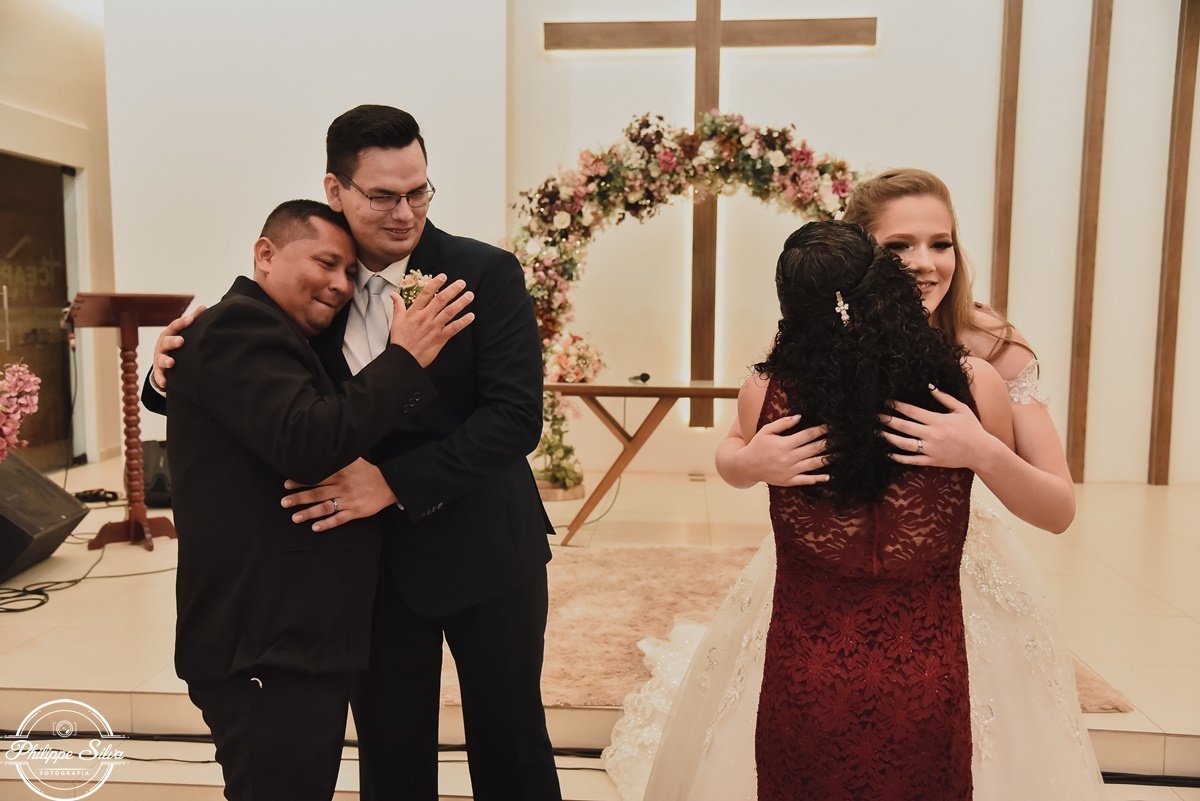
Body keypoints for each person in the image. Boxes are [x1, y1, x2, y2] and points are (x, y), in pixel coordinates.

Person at [606, 170, 1107, 800]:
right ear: (864, 257)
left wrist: (982, 452)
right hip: (824, 574)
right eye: (900, 246)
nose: (925, 263)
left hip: (955, 577)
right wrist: (752, 463)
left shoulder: (994, 350)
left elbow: (1058, 509)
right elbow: (733, 451)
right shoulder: (809, 341)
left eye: (941, 243)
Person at [149, 105, 562, 801]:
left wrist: (393, 482)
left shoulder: (482, 272)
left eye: (419, 191)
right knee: (391, 750)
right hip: (372, 570)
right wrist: (165, 374)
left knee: (512, 741)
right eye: (383, 196)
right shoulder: (316, 286)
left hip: (486, 546)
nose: (405, 213)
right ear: (335, 189)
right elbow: (252, 380)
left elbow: (516, 419)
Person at [160, 199, 473, 800]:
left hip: (294, 640)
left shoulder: (279, 335)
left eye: (350, 273)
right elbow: (307, 441)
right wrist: (405, 359)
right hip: (264, 644)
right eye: (326, 263)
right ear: (265, 254)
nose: (341, 285)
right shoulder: (238, 326)